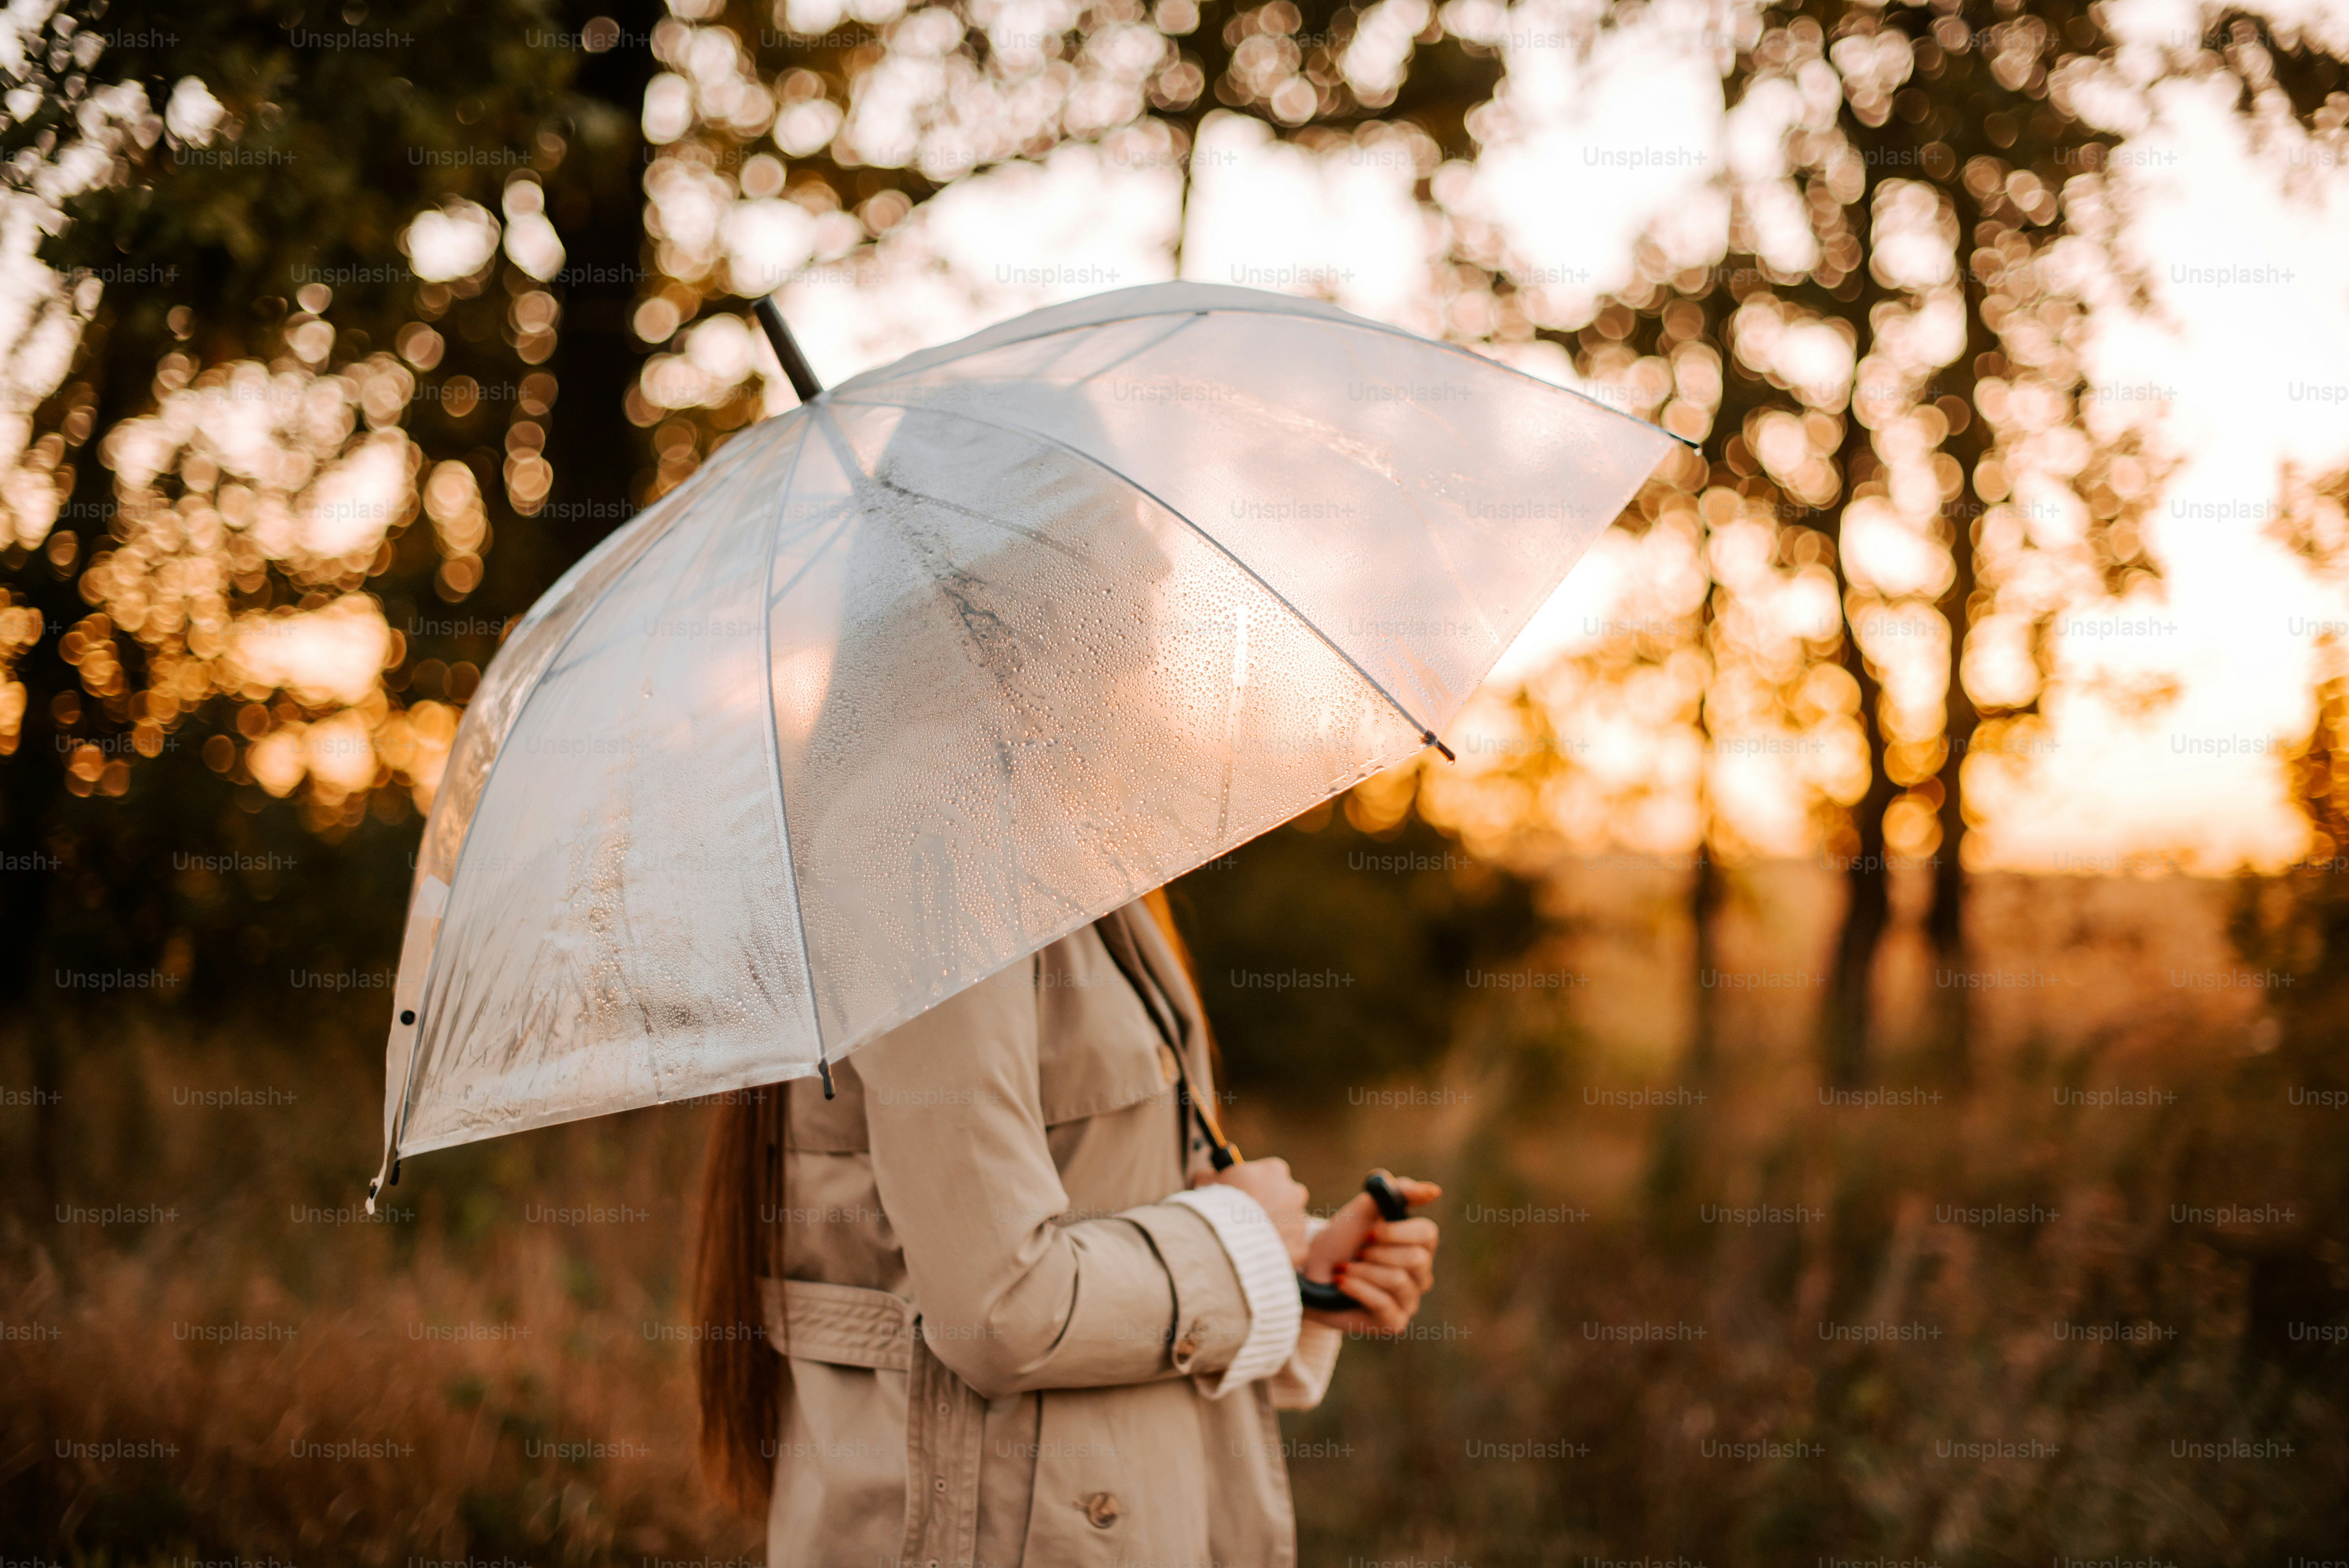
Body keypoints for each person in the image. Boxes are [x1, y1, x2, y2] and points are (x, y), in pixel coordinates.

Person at [694, 888, 1442, 1567]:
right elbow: (1002, 1309)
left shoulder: (1075, 858)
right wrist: (1237, 1249)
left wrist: (1291, 1268)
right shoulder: (925, 873)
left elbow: (1097, 1194)